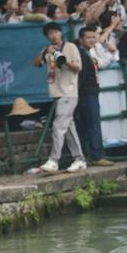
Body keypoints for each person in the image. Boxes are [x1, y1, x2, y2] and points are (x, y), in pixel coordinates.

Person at [33, 22, 86, 173]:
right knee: (69, 128)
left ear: (61, 32)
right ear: (47, 36)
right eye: (50, 33)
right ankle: (79, 159)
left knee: (58, 126)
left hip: (69, 92)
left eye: (55, 32)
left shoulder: (70, 47)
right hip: (57, 93)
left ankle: (53, 160)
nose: (53, 35)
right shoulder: (48, 49)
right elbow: (35, 63)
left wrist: (63, 60)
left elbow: (78, 67)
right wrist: (46, 53)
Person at [75, 26, 112, 165]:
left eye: (93, 37)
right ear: (81, 39)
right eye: (88, 37)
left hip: (91, 91)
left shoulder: (90, 52)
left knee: (88, 124)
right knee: (92, 124)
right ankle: (97, 155)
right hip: (86, 92)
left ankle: (88, 155)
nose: (91, 40)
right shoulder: (81, 53)